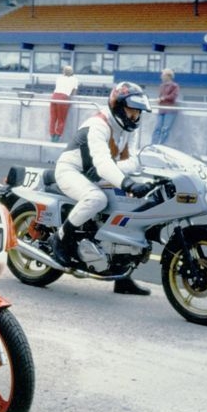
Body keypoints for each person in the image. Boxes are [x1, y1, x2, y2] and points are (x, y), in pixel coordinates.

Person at [50, 81, 154, 295]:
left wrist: (122, 175)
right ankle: (60, 239)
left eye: (137, 113)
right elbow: (102, 163)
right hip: (73, 171)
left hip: (97, 173)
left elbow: (133, 161)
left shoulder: (126, 128)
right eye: (131, 111)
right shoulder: (98, 125)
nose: (134, 117)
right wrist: (126, 182)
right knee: (96, 200)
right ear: (118, 107)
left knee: (128, 207)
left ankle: (122, 278)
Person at [49, 65, 79, 142]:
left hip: (54, 97)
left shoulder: (59, 78)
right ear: (72, 72)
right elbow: (74, 93)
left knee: (53, 118)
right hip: (63, 98)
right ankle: (57, 136)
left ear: (63, 72)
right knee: (61, 119)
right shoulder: (75, 79)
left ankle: (52, 135)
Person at [151, 68, 180, 145]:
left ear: (168, 76)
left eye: (163, 75)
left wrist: (162, 98)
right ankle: (153, 145)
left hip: (170, 110)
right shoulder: (162, 86)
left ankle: (161, 145)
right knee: (157, 128)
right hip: (161, 109)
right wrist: (159, 99)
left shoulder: (175, 86)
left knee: (165, 129)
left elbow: (173, 96)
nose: (161, 77)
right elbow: (160, 96)